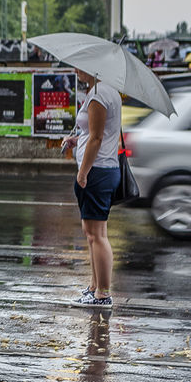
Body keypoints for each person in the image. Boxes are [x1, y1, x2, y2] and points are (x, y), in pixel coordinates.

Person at [61, 69, 122, 308]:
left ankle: (103, 294)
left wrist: (83, 173)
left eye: (79, 66)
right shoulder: (105, 92)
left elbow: (97, 139)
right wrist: (77, 140)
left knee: (97, 235)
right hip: (102, 169)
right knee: (92, 234)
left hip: (97, 171)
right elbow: (97, 133)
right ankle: (94, 287)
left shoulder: (99, 95)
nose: (76, 70)